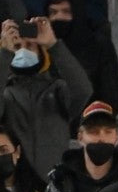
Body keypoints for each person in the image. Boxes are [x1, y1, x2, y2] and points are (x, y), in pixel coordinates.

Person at [0, 16, 93, 179]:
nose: (22, 51)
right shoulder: (5, 92)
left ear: (41, 52)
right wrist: (4, 54)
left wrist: (53, 45)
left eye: (30, 45)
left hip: (54, 185)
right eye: (16, 46)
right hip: (17, 188)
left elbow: (83, 90)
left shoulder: (57, 89)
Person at [44, 0, 118, 110]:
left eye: (66, 11)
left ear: (77, 11)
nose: (59, 17)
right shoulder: (42, 48)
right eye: (53, 12)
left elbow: (112, 98)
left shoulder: (99, 45)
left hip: (90, 124)